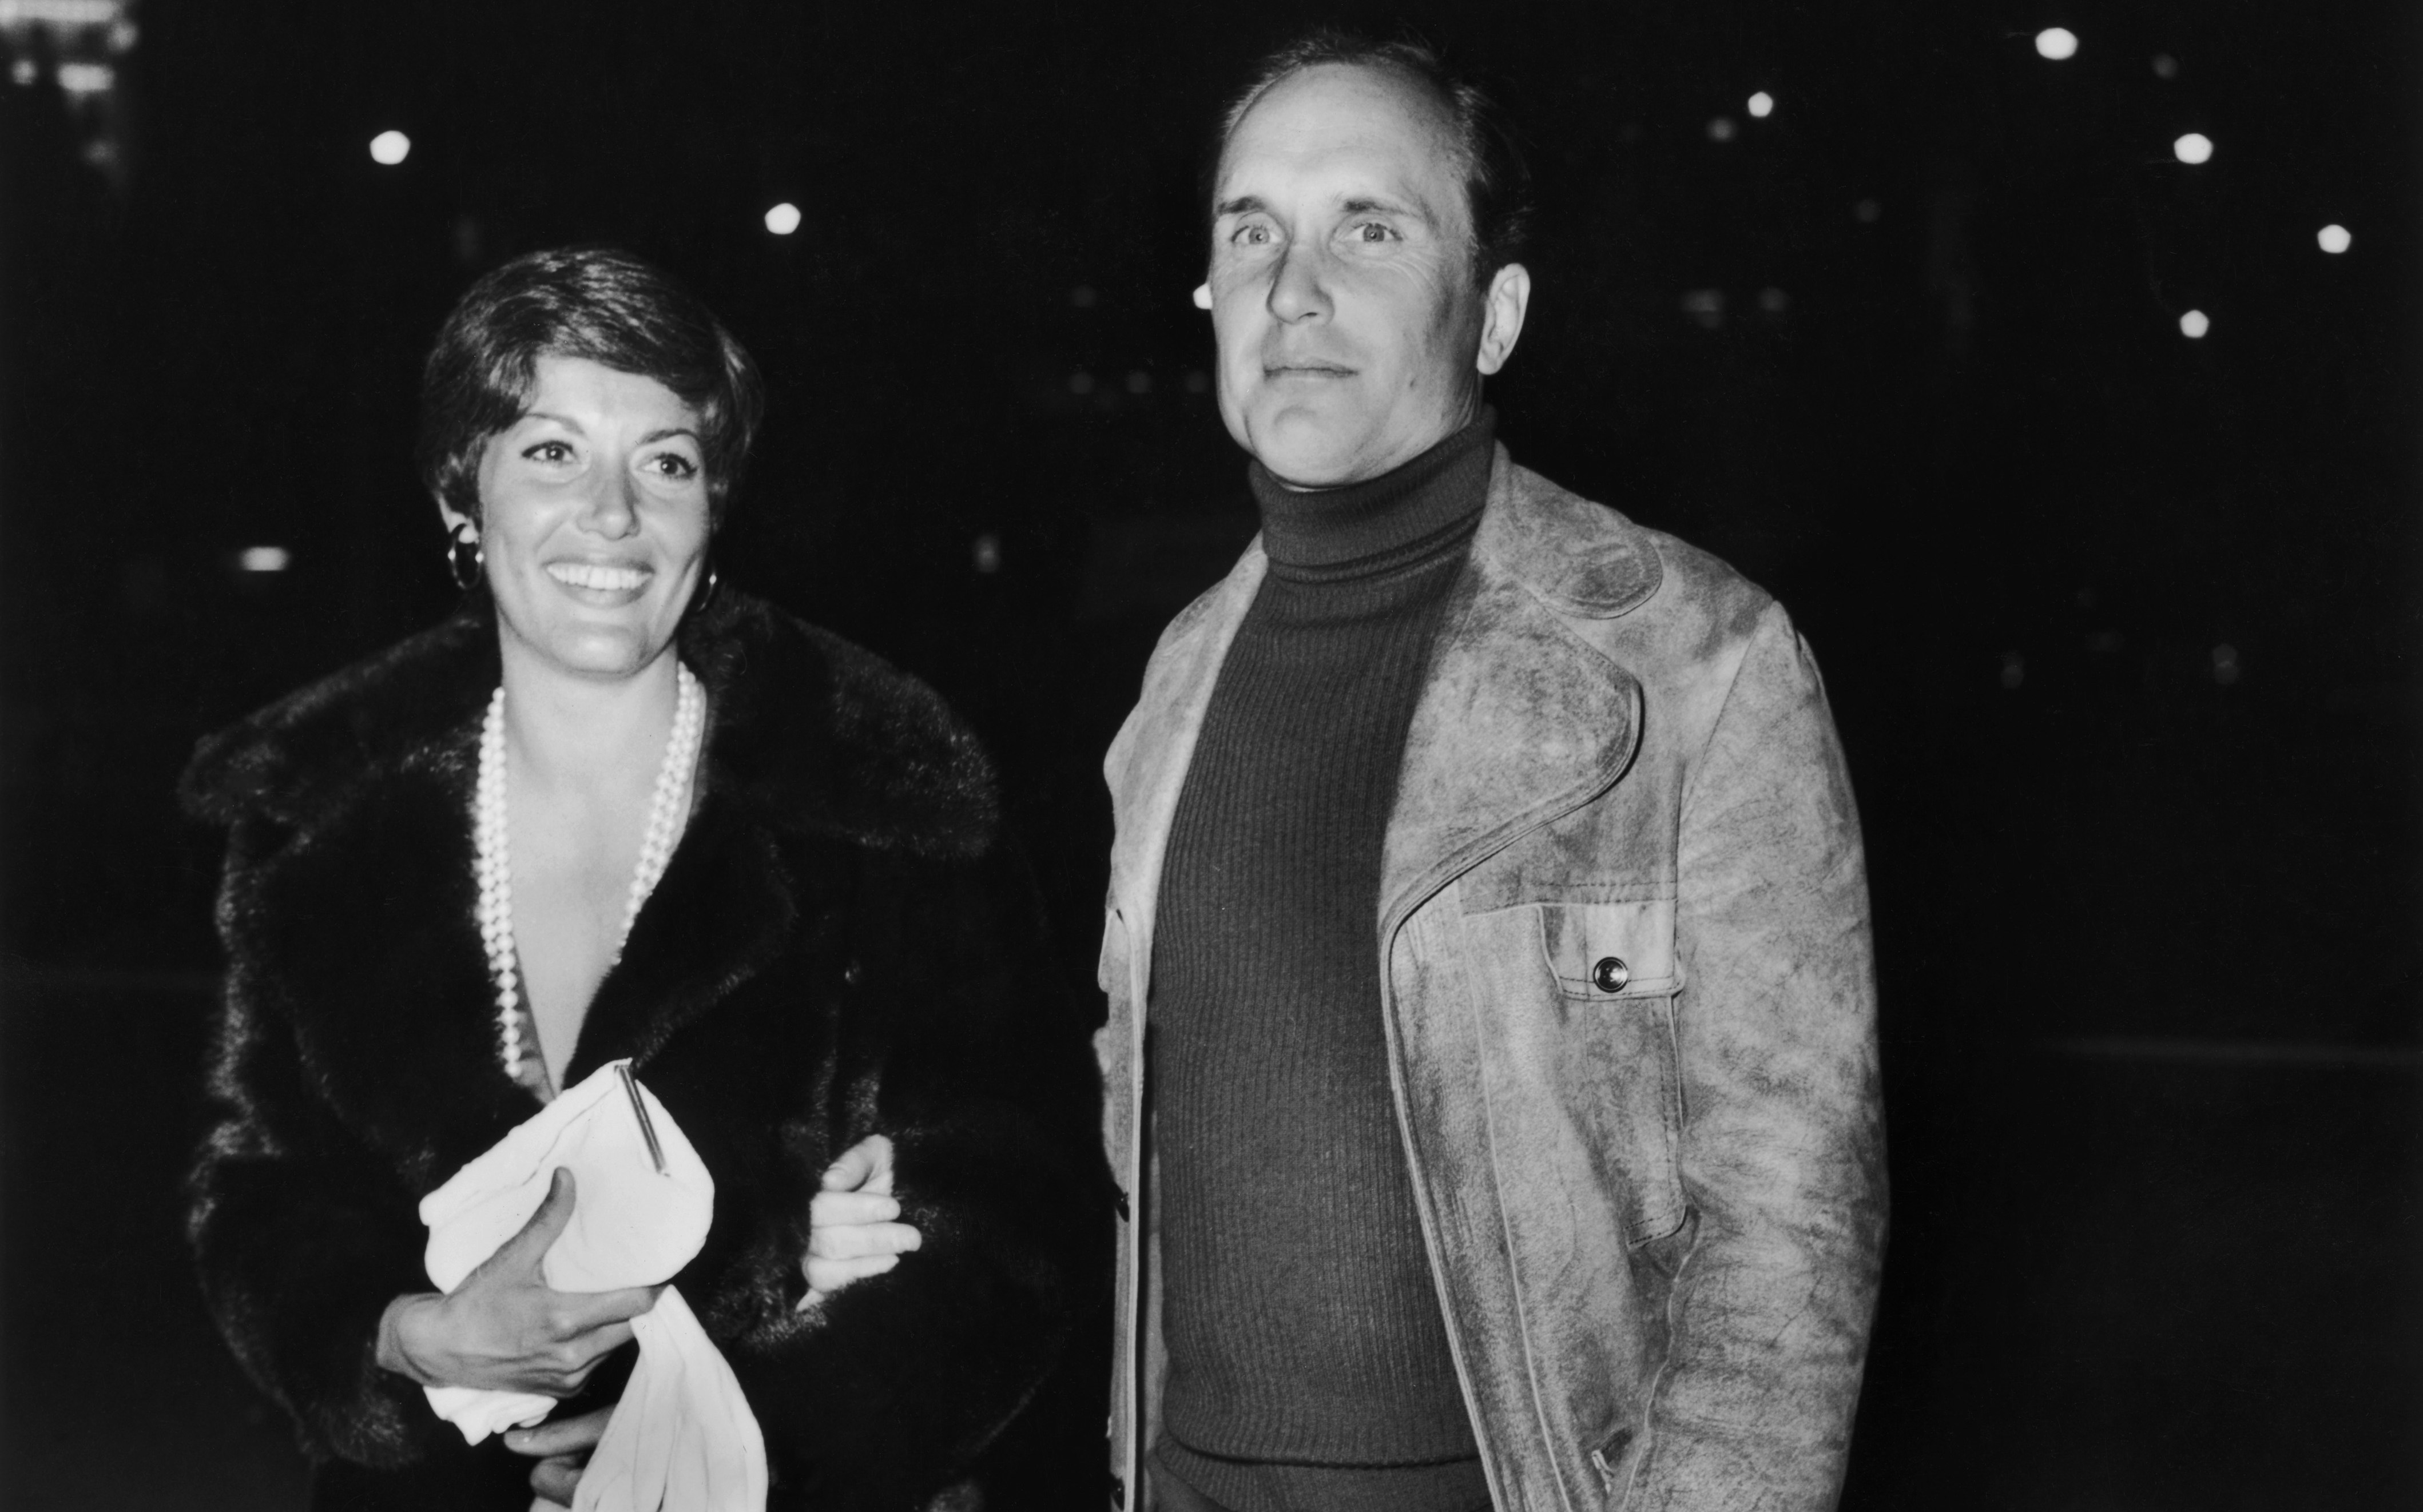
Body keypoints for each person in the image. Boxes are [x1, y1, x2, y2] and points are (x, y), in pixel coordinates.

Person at [180, 246, 1113, 1511]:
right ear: (465, 498)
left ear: (713, 508)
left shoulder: (882, 797)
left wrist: (737, 1431)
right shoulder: (316, 817)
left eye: (665, 461)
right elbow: (259, 1184)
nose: (613, 514)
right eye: (552, 451)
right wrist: (401, 1337)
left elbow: (1015, 1220)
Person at [1091, 31, 1886, 1511]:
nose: (1291, 285)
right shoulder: (1174, 677)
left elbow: (1787, 1230)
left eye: (1368, 229)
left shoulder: (1692, 664)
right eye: (1248, 227)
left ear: (1495, 313)